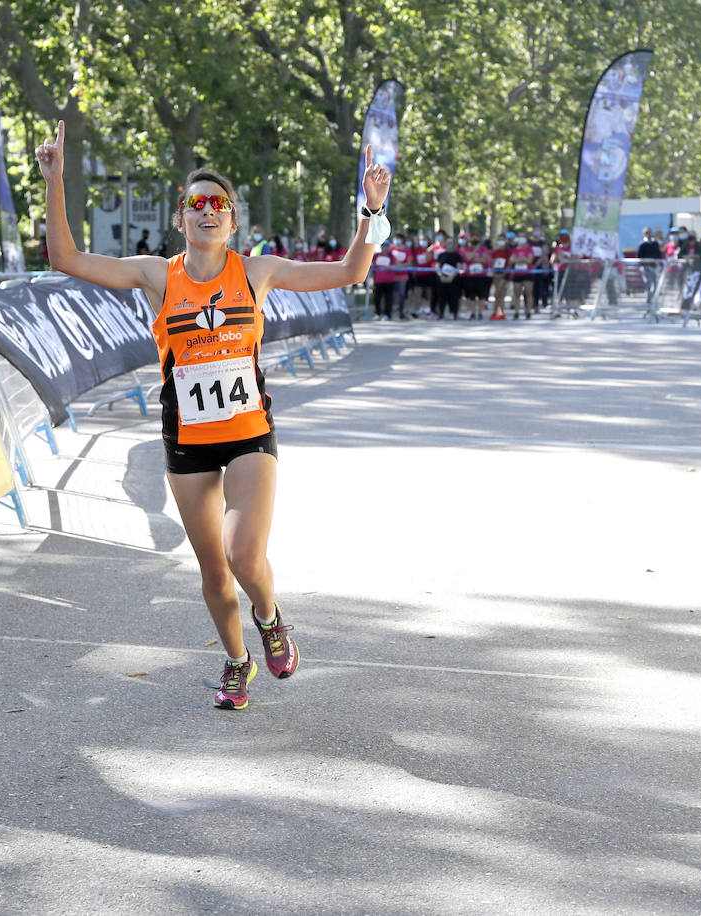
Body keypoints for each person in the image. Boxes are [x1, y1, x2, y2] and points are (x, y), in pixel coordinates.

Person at [36, 121, 390, 710]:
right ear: (181, 218)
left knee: (243, 555)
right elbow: (65, 257)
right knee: (213, 569)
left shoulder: (258, 272)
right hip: (187, 440)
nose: (207, 211)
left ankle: (272, 620)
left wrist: (370, 212)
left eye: (218, 204)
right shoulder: (156, 275)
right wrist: (55, 180)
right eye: (196, 203)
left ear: (233, 222)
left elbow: (351, 273)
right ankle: (236, 661)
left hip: (249, 433)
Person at [435, 236, 464, 319]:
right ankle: (441, 313)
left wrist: (451, 277)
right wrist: (441, 276)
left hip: (454, 280)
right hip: (442, 279)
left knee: (453, 297)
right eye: (448, 243)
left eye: (451, 243)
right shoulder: (441, 255)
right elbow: (437, 267)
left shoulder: (457, 255)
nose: (449, 244)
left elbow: (459, 267)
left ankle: (453, 313)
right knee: (441, 297)